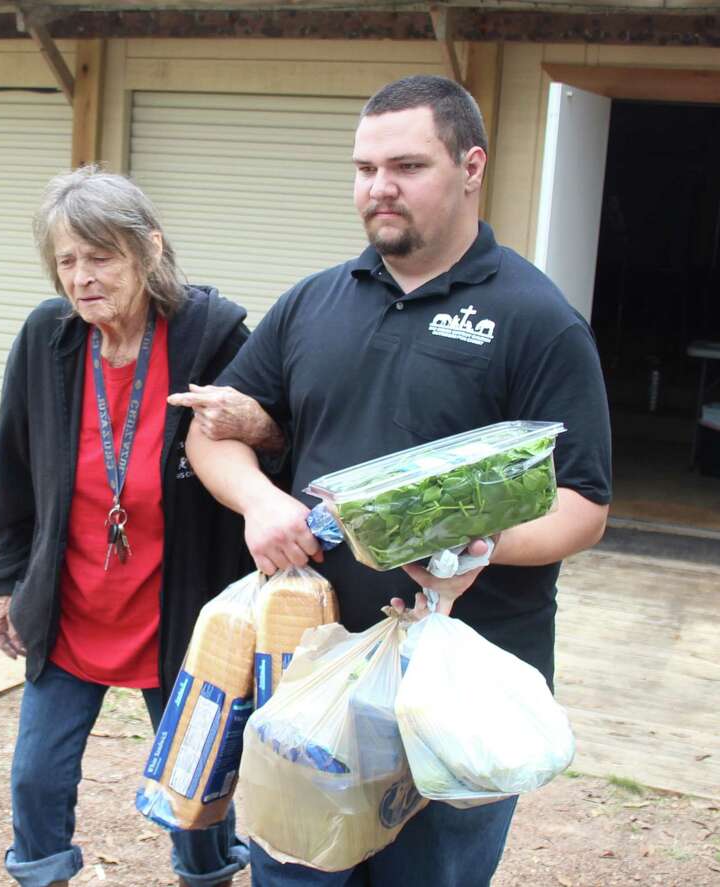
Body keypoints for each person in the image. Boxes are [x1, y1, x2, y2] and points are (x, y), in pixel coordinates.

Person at [181, 75, 612, 886]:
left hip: (455, 690)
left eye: (407, 165)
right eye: (364, 167)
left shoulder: (535, 317)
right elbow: (213, 432)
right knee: (294, 872)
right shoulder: (313, 302)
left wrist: (480, 543)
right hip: (306, 669)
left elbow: (582, 505)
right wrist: (261, 499)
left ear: (471, 165)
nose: (379, 188)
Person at [0, 166, 282, 887]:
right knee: (35, 777)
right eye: (67, 260)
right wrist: (5, 581)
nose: (83, 277)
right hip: (73, 601)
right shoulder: (45, 341)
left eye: (101, 255)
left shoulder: (213, 337)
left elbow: (273, 444)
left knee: (197, 790)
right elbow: (14, 470)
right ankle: (42, 874)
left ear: (148, 249)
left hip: (178, 608)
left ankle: (206, 875)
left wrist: (260, 427)